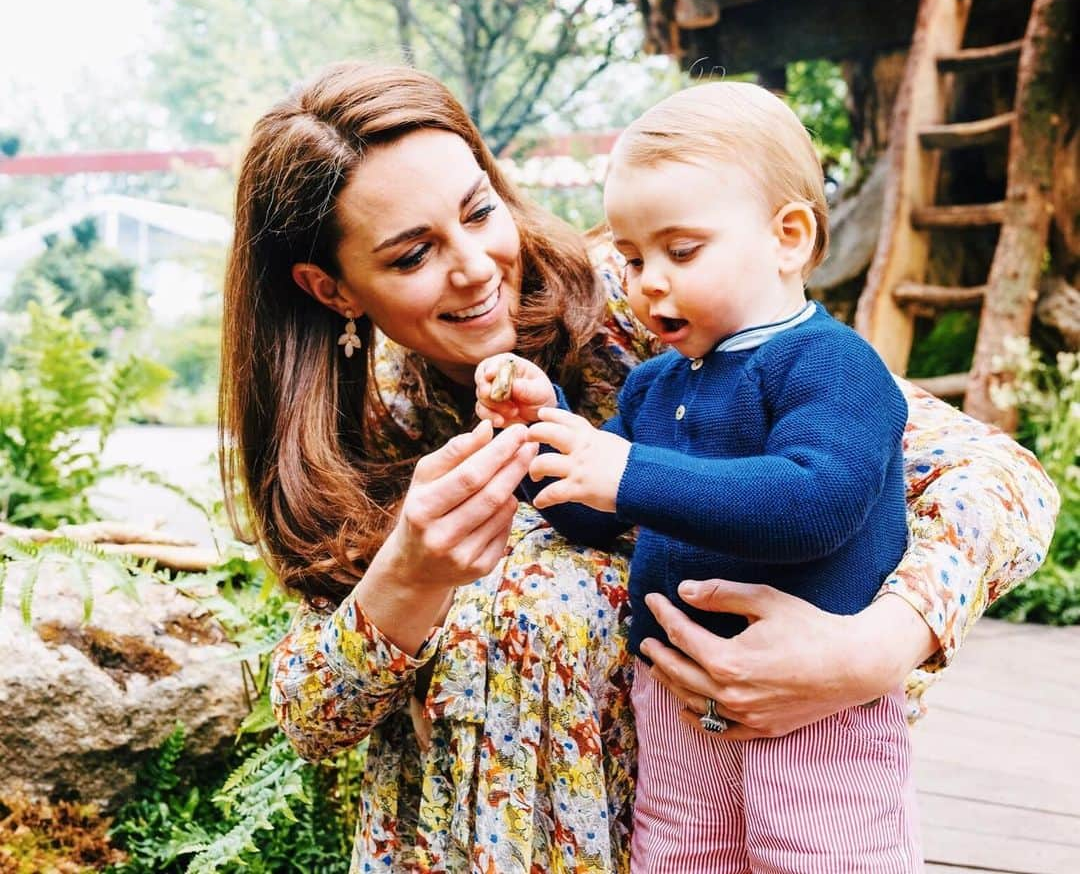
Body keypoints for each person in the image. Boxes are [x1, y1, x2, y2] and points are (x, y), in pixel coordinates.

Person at [220, 60, 1058, 874]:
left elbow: (1000, 477)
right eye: (412, 256)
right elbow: (311, 718)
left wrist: (875, 651)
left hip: (738, 813)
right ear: (331, 290)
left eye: (479, 212)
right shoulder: (350, 437)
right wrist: (406, 579)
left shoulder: (656, 304)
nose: (475, 267)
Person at [475, 82, 919, 871]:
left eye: (682, 252)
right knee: (681, 856)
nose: (650, 281)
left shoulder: (832, 365)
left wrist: (631, 473)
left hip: (814, 709)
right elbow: (591, 512)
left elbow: (818, 502)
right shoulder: (655, 385)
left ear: (787, 238)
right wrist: (540, 433)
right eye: (634, 257)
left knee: (825, 856)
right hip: (676, 700)